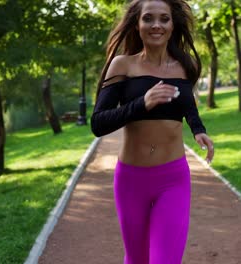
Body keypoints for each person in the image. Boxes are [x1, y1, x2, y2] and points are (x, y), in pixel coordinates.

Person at [90, 0, 214, 263]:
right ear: (137, 24)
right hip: (131, 181)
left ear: (172, 25)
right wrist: (142, 103)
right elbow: (98, 123)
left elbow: (186, 103)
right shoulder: (122, 65)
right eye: (148, 18)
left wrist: (198, 129)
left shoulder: (184, 65)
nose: (156, 25)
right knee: (137, 259)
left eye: (164, 19)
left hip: (173, 178)